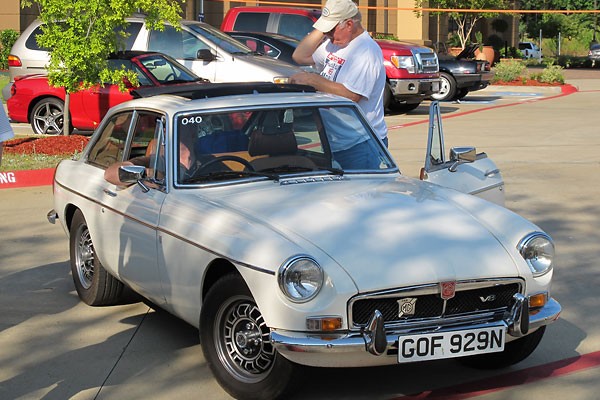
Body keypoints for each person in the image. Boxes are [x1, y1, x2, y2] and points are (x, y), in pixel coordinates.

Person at [290, 0, 388, 147]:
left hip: (361, 142)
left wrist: (313, 80)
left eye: (331, 30)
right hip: (337, 140)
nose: (328, 35)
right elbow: (300, 56)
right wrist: (325, 27)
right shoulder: (334, 44)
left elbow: (352, 95)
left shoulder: (366, 51)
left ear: (349, 24)